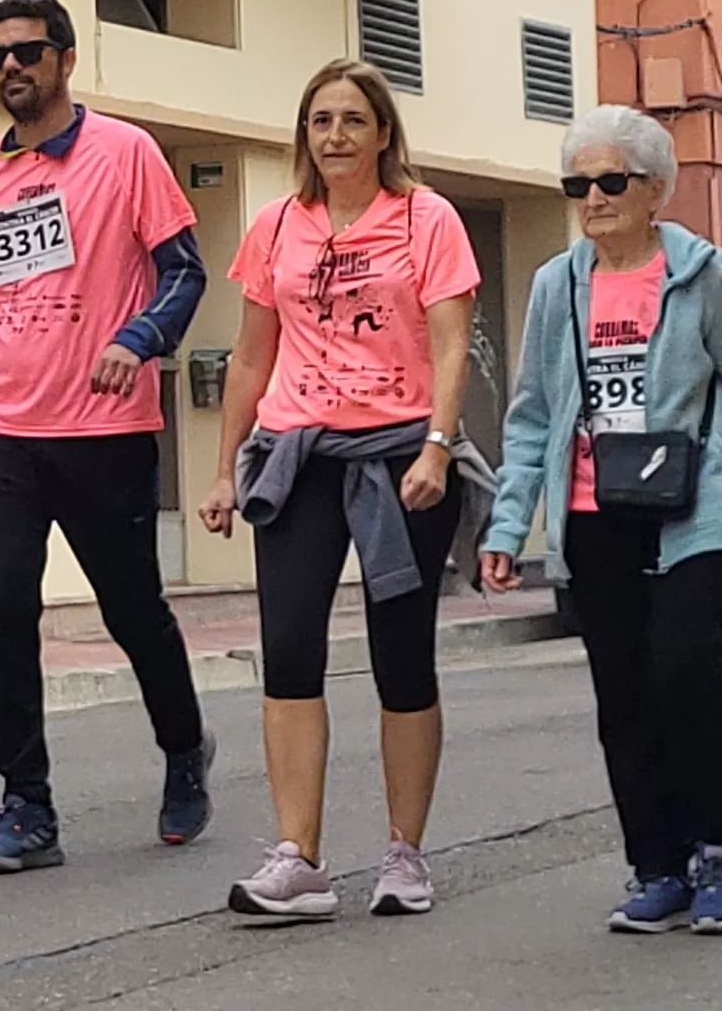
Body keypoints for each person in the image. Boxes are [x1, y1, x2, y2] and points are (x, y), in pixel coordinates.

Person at [482, 105, 722, 937]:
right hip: (595, 512)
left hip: (697, 508)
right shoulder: (557, 286)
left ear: (653, 189)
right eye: (577, 184)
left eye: (610, 181)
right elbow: (531, 417)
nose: (592, 197)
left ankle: (720, 851)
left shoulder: (700, 275)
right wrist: (507, 528)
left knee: (683, 671)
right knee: (621, 695)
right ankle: (655, 864)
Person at [200, 60, 482, 922]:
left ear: (383, 133)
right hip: (298, 453)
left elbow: (449, 344)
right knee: (288, 651)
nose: (335, 137)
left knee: (403, 656)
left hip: (401, 454)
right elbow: (251, 355)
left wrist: (436, 447)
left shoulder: (425, 218)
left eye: (352, 121)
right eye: (320, 121)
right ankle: (300, 857)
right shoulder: (277, 225)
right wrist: (223, 467)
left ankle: (404, 855)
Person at [0, 0, 214, 874]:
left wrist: (137, 340)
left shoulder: (126, 153)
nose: (12, 68)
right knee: (1, 615)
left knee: (132, 610)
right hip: (0, 433)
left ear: (65, 59)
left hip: (103, 430)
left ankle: (183, 750)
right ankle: (27, 807)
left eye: (27, 51)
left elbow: (184, 273)